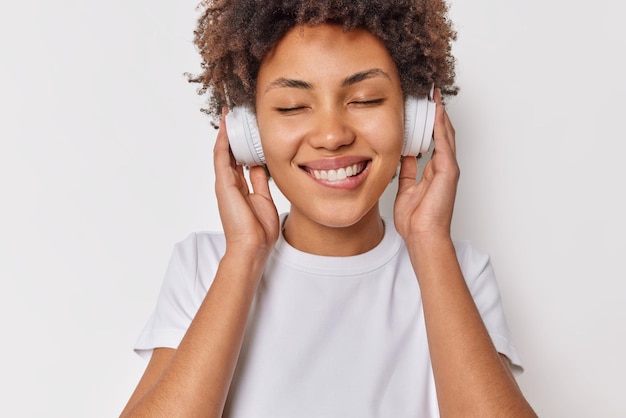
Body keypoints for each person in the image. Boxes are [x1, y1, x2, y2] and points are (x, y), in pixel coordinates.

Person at [121, 0, 537, 416]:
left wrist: (429, 243)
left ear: (415, 120)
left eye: (366, 99)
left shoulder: (458, 270)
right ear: (248, 132)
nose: (332, 135)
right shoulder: (205, 266)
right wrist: (245, 254)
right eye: (291, 106)